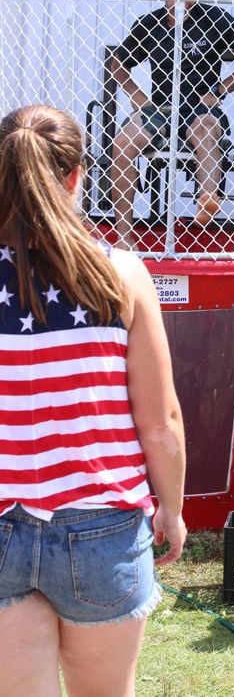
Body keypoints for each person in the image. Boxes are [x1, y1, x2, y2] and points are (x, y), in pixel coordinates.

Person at [0, 104, 187, 696]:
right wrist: (172, 508)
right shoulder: (122, 274)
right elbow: (161, 422)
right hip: (102, 528)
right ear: (77, 176)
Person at [110, 0, 234, 247]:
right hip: (160, 108)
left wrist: (221, 89)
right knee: (123, 142)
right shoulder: (150, 24)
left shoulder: (213, 18)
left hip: (201, 107)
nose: (184, 1)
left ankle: (207, 200)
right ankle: (123, 237)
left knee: (205, 130)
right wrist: (135, 93)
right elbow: (117, 63)